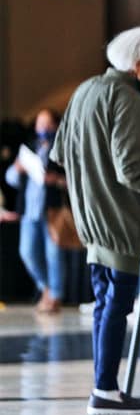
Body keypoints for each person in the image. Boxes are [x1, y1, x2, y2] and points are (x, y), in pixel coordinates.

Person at [50, 27, 140, 415]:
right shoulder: (127, 98)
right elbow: (130, 169)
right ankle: (107, 388)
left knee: (103, 304)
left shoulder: (84, 91)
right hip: (121, 221)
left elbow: (60, 152)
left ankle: (103, 385)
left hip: (90, 219)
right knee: (118, 306)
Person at [4, 109, 67, 313]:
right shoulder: (29, 148)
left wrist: (56, 180)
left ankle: (55, 296)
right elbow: (10, 179)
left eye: (48, 124)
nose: (43, 128)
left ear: (56, 126)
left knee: (53, 254)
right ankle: (46, 288)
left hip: (52, 211)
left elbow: (74, 181)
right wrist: (17, 169)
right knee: (28, 252)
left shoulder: (62, 149)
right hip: (29, 212)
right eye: (40, 124)